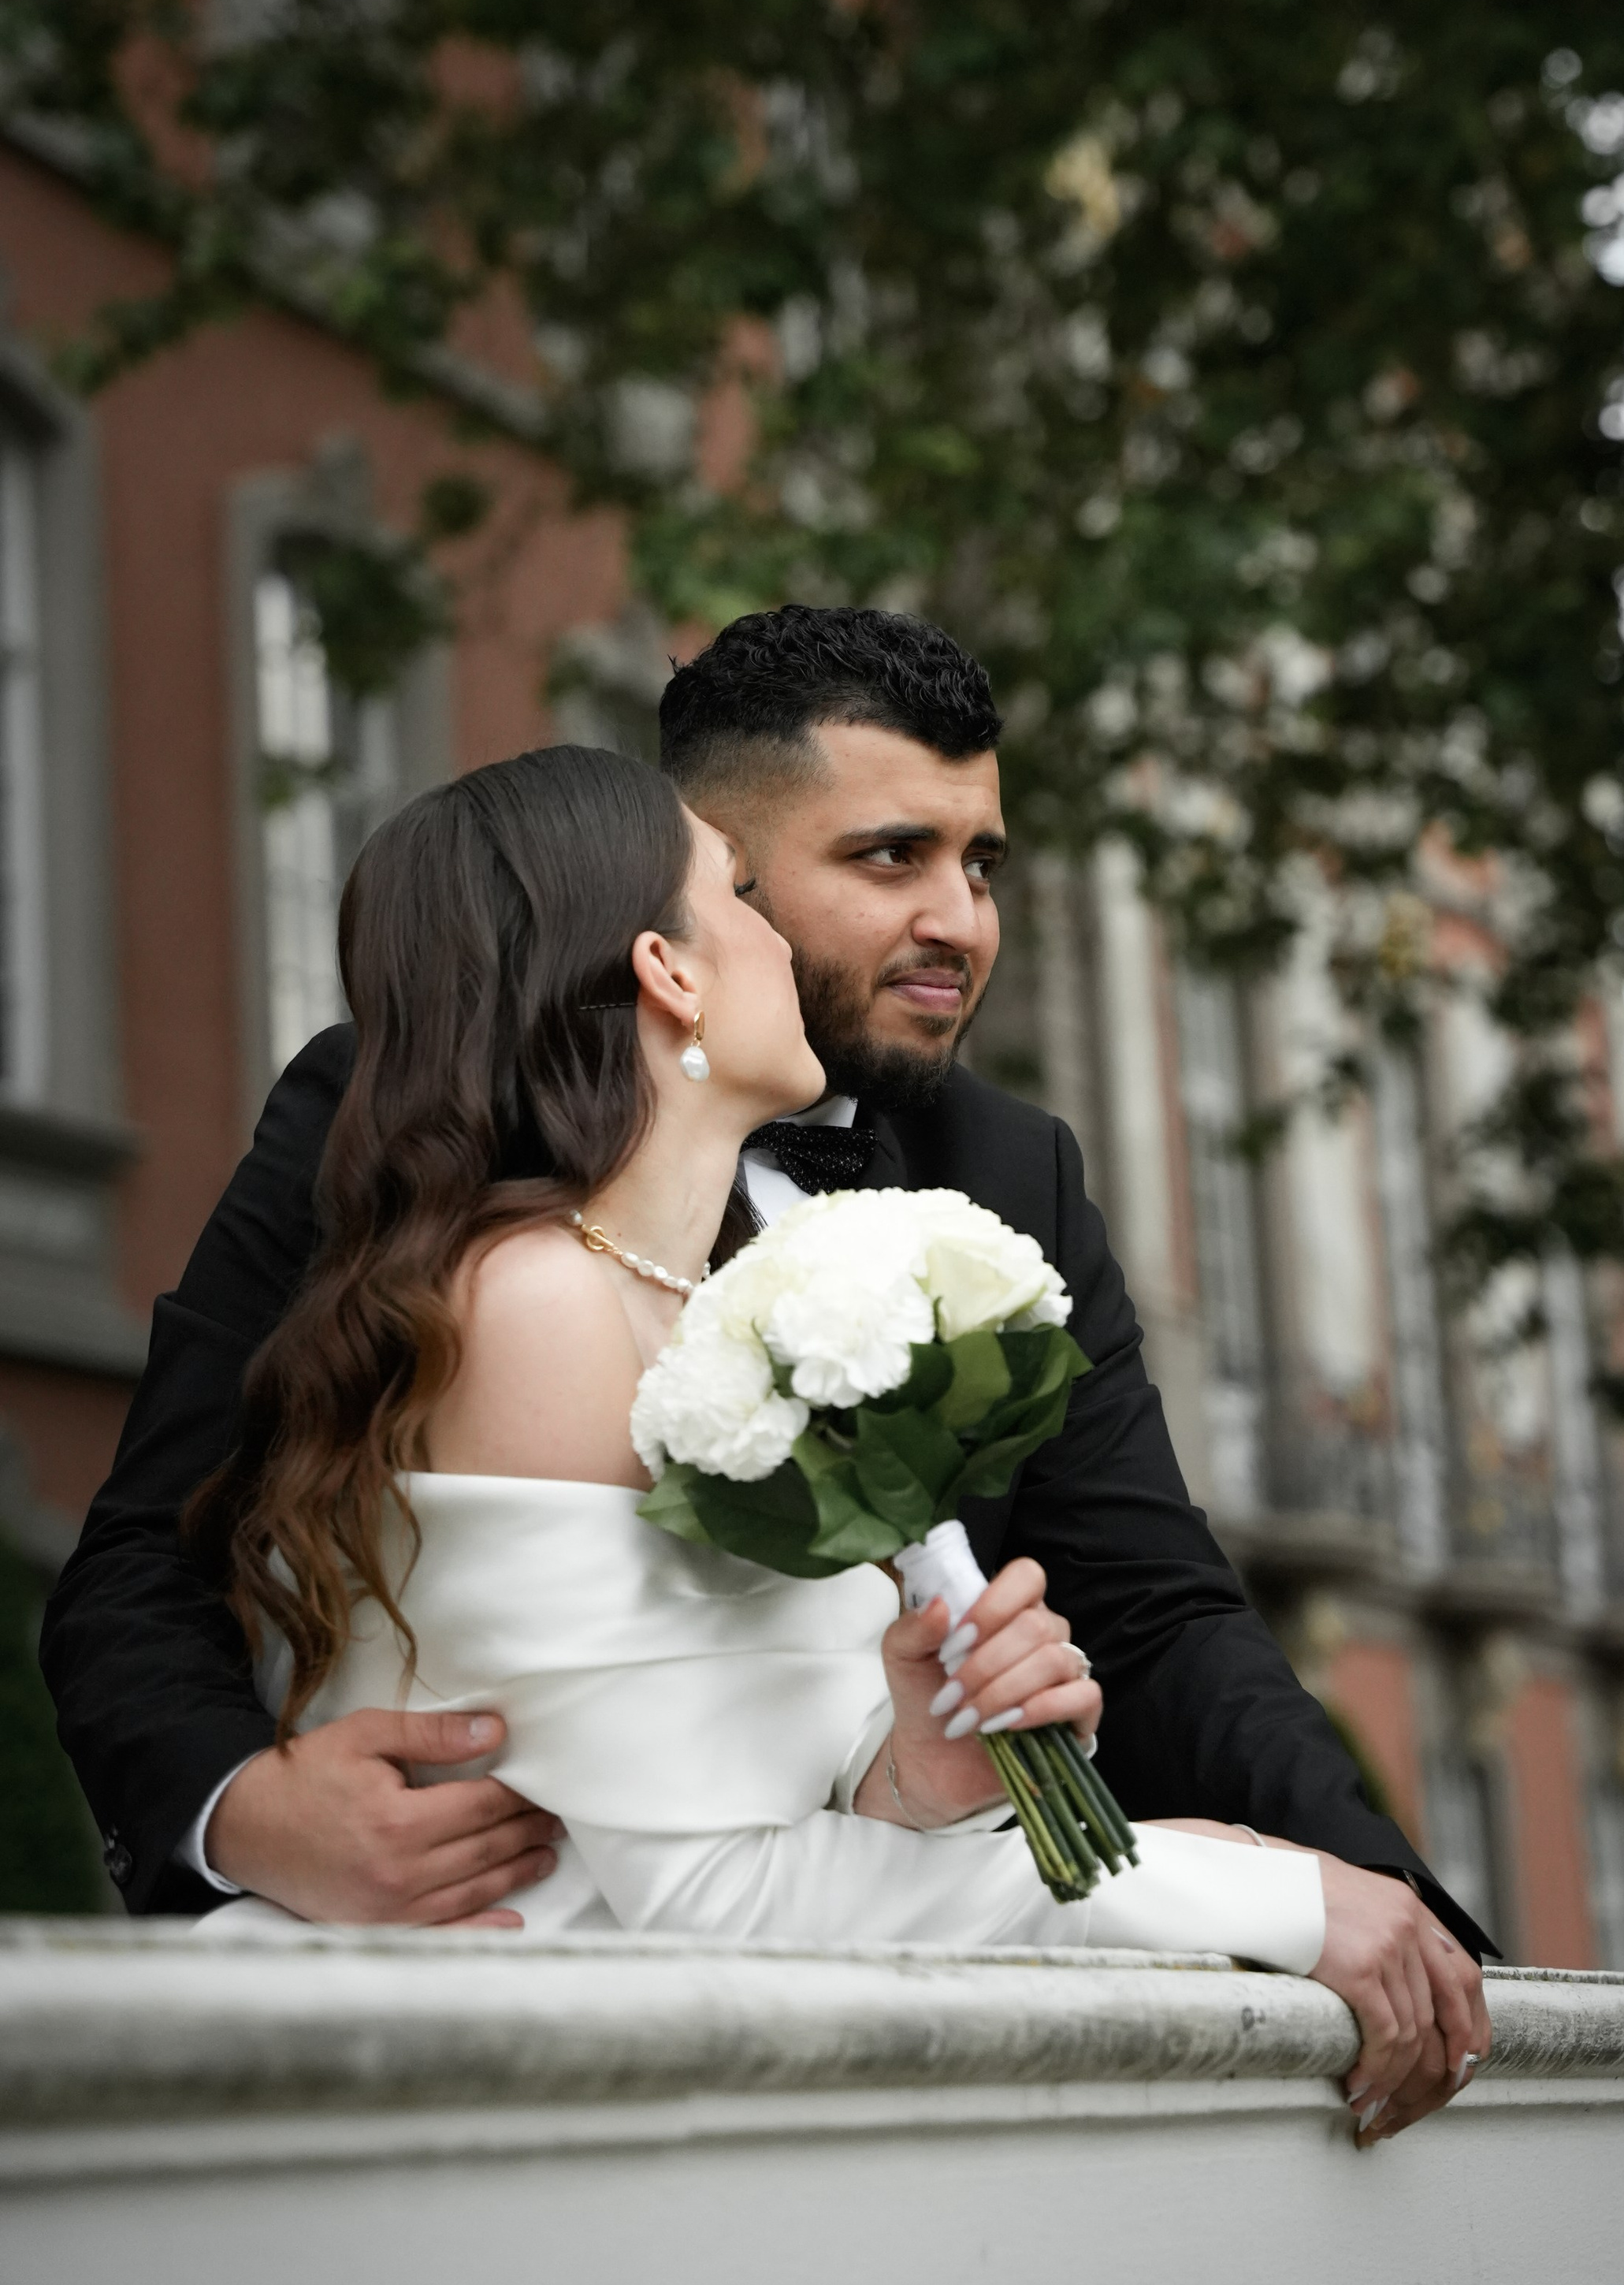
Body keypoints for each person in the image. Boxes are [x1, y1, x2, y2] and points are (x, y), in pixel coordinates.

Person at [43, 608, 1492, 2142]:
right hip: (538, 2047)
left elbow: (1151, 1600)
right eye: (887, 858)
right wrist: (243, 1816)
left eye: (980, 863)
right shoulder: (423, 1148)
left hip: (831, 2034)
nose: (961, 920)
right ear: (688, 906)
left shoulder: (1008, 1170)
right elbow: (149, 1554)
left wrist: (1390, 1915)